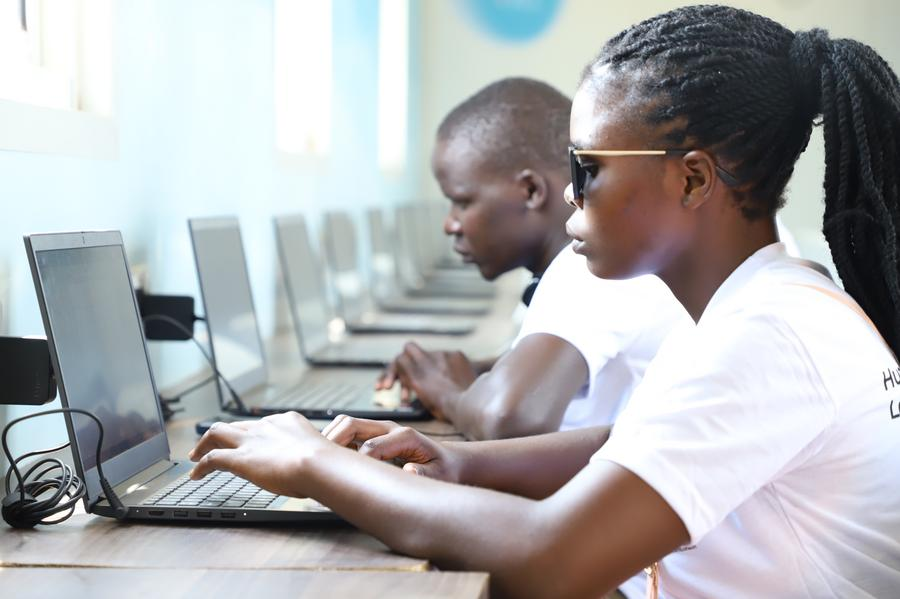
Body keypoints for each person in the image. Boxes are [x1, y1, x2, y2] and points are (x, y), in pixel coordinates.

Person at [189, 6, 900, 597]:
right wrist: (460, 462)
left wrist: (315, 464)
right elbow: (634, 442)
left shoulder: (769, 334)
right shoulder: (770, 302)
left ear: (690, 182)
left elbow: (549, 556)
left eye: (587, 169)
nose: (569, 194)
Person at [377, 77, 686, 439]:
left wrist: (448, 394)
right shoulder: (587, 261)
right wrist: (459, 371)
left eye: (462, 202)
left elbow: (510, 419)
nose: (450, 224)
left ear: (530, 191)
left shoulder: (586, 270)